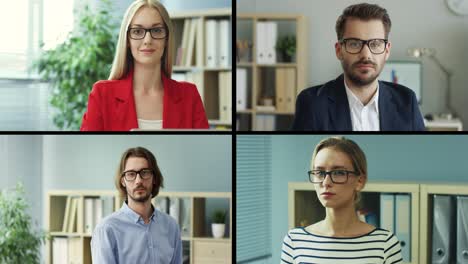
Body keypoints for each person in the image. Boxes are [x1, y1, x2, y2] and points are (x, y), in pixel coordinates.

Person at [291, 3, 425, 131]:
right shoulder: (312, 103)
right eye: (354, 44)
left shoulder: (407, 101)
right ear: (339, 50)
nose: (366, 55)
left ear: (387, 50)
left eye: (375, 44)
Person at [81, 0, 209, 130]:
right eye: (137, 31)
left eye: (157, 30)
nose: (148, 40)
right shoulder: (102, 94)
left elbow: (204, 148)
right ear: (127, 40)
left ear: (166, 39)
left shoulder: (189, 95)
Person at [281, 137, 403, 264]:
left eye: (339, 172)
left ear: (359, 181)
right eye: (319, 173)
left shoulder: (384, 243)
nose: (326, 182)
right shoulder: (294, 241)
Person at [91, 147, 182, 263]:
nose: (138, 180)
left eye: (145, 172)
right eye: (131, 174)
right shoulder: (106, 230)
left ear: (154, 178)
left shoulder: (171, 226)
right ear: (123, 181)